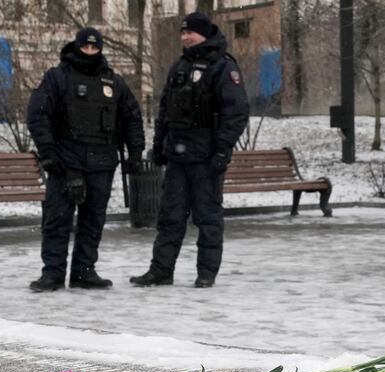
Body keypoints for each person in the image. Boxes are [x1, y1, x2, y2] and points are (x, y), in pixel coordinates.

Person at [130, 12, 249, 289]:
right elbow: (165, 112)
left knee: (208, 219)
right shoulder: (180, 65)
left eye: (190, 33)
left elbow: (237, 112)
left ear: (204, 34)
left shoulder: (222, 66)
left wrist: (222, 149)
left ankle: (206, 274)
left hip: (206, 158)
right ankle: (160, 271)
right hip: (178, 157)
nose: (185, 37)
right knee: (169, 217)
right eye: (182, 33)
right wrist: (159, 146)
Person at [27, 27, 145, 292]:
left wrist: (135, 152)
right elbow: (38, 116)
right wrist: (48, 154)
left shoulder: (113, 83)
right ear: (77, 46)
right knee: (58, 220)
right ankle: (53, 274)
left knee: (93, 221)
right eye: (86, 47)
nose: (90, 52)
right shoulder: (57, 78)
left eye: (95, 48)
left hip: (101, 163)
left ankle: (83, 271)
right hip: (65, 163)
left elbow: (131, 118)